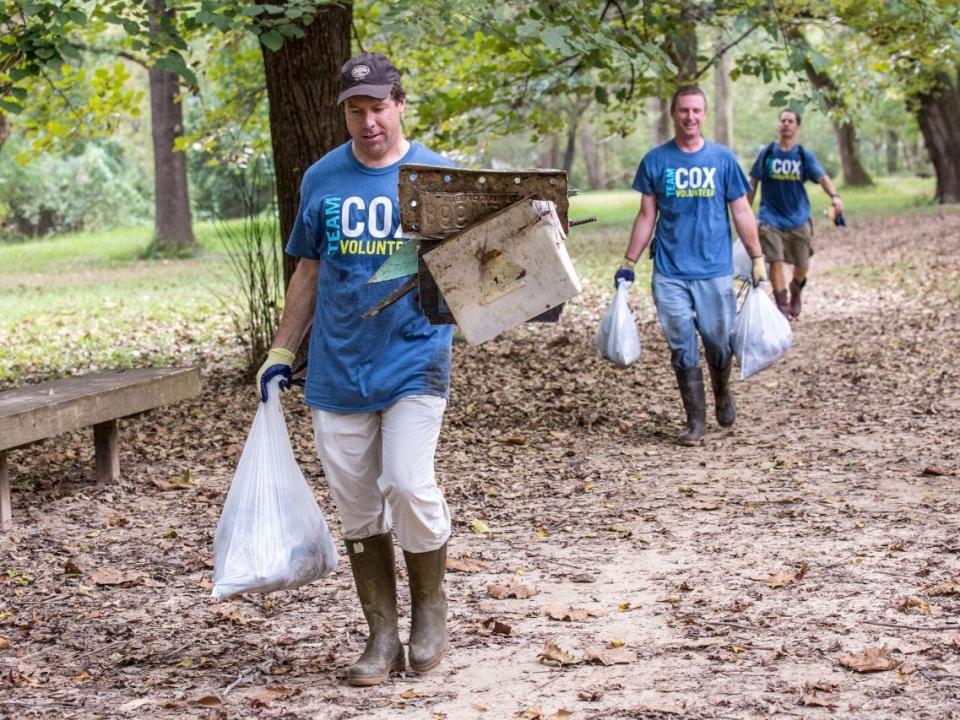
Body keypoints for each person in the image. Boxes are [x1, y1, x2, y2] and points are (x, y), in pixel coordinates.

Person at [254, 52, 454, 687]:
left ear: (400, 103)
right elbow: (308, 272)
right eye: (355, 109)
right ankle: (381, 634)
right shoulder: (322, 179)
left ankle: (429, 609)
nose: (368, 121)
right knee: (359, 506)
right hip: (339, 369)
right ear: (345, 112)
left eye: (378, 107)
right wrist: (282, 349)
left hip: (415, 359)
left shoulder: (438, 176)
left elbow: (484, 260)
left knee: (408, 481)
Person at [615, 85, 766, 446]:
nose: (690, 117)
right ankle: (695, 421)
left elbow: (742, 210)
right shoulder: (656, 161)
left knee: (717, 341)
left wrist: (757, 257)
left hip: (714, 270)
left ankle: (722, 391)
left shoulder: (722, 159)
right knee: (681, 343)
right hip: (669, 272)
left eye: (697, 111)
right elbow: (646, 215)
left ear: (705, 114)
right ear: (673, 113)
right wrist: (628, 262)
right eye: (684, 110)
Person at [747, 108, 843, 319]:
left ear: (797, 127)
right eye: (783, 120)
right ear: (778, 125)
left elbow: (822, 177)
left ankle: (796, 289)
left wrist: (835, 197)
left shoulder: (803, 155)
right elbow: (753, 181)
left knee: (802, 263)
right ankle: (782, 305)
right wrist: (745, 211)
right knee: (776, 259)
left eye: (790, 121)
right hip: (769, 217)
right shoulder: (768, 153)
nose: (786, 124)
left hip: (798, 217)